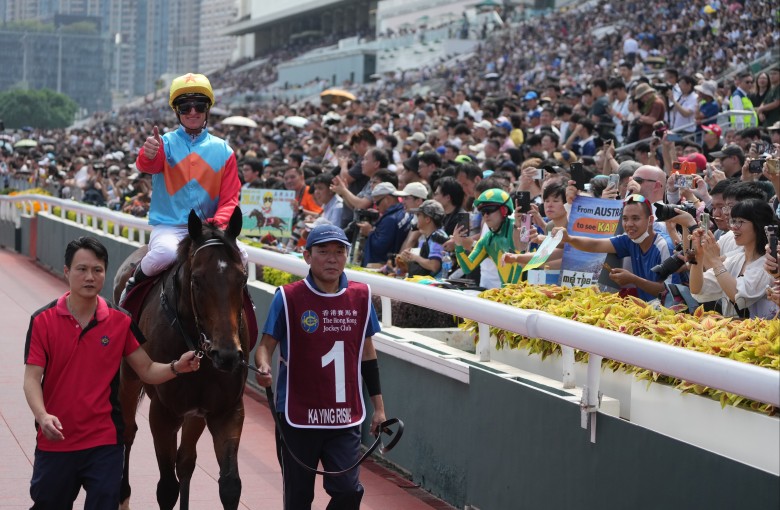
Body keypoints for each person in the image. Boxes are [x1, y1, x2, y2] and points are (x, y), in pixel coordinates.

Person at [23, 237, 200, 509]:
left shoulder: (121, 321)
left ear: (106, 272)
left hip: (104, 443)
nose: (90, 277)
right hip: (56, 440)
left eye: (97, 270)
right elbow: (32, 379)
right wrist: (42, 415)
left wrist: (178, 367)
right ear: (67, 271)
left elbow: (147, 370)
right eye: (81, 269)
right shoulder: (42, 320)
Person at [253, 225, 386, 510]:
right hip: (297, 417)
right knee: (298, 499)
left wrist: (380, 408)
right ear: (307, 256)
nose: (332, 259)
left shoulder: (361, 297)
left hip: (345, 417)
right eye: (323, 251)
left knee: (349, 491)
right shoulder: (288, 297)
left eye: (339, 252)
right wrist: (264, 367)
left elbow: (368, 355)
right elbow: (265, 347)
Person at [119, 72, 247, 303]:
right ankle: (131, 288)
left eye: (199, 105)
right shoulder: (164, 144)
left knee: (242, 256)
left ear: (208, 108)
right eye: (185, 106)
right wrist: (148, 153)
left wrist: (215, 226)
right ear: (176, 111)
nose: (193, 112)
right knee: (165, 254)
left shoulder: (224, 151)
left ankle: (243, 309)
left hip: (209, 228)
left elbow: (230, 200)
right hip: (171, 228)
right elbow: (148, 164)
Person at [554, 194, 673, 301]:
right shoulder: (630, 240)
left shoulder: (664, 246)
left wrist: (633, 279)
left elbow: (668, 292)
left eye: (636, 218)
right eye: (625, 219)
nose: (629, 224)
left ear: (651, 220)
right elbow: (595, 245)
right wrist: (569, 239)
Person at [690, 199, 778, 318]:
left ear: (758, 225)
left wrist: (715, 261)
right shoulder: (736, 259)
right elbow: (697, 288)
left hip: (761, 334)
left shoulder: (768, 265)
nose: (734, 228)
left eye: (740, 222)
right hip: (734, 334)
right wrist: (698, 257)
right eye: (733, 221)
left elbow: (738, 296)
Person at [453, 188, 523, 285]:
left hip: (529, 292)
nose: (485, 215)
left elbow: (522, 258)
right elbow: (467, 268)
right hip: (508, 293)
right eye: (482, 212)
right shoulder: (486, 239)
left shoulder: (517, 227)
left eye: (489, 210)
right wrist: (458, 246)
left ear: (504, 210)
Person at [398, 200, 447, 278]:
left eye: (418, 215)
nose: (416, 218)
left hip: (435, 286)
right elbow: (421, 266)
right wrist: (407, 258)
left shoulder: (437, 237)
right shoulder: (426, 239)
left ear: (427, 219)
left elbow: (434, 266)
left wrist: (415, 257)